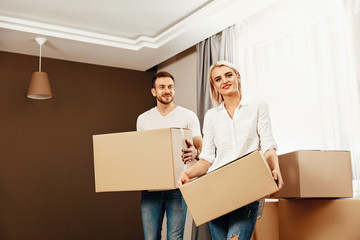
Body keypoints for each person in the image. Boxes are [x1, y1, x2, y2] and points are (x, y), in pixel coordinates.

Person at [177, 61, 284, 240]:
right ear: (214, 86)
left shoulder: (257, 105)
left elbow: (267, 144)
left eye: (228, 75)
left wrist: (275, 168)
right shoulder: (212, 116)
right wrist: (187, 174)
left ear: (237, 77)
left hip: (248, 186)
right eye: (218, 79)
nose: (224, 81)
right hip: (216, 190)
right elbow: (207, 159)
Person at [137, 71, 202, 240]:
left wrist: (195, 152)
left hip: (179, 186)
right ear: (154, 92)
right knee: (151, 238)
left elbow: (200, 148)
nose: (167, 90)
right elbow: (140, 152)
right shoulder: (143, 119)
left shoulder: (188, 116)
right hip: (151, 187)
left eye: (170, 87)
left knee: (175, 237)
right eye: (162, 87)